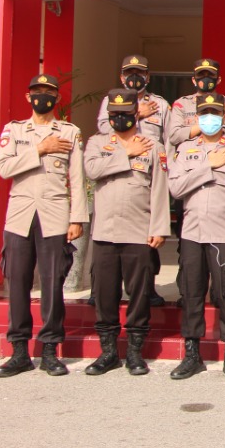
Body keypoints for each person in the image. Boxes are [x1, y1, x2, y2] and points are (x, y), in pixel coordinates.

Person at [0, 74, 87, 378]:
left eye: (48, 92)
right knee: (17, 283)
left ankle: (49, 350)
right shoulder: (14, 130)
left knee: (53, 283)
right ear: (28, 97)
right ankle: (19, 351)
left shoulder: (70, 132)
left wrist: (77, 218)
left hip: (55, 215)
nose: (42, 96)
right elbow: (3, 167)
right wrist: (40, 149)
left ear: (56, 98)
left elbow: (77, 178)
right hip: (20, 216)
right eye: (37, 91)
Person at [166, 94, 225, 381]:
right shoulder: (184, 149)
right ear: (196, 118)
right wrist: (208, 165)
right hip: (192, 233)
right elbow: (176, 188)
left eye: (215, 113)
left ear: (224, 117)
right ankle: (192, 354)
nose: (210, 118)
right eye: (205, 113)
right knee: (191, 293)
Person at [81, 89, 170, 377]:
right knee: (104, 294)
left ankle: (134, 352)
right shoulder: (97, 142)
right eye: (115, 114)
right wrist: (125, 153)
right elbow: (92, 170)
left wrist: (159, 227)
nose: (120, 118)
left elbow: (160, 189)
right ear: (109, 117)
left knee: (139, 294)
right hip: (105, 232)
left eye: (125, 114)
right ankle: (108, 352)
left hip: (138, 231)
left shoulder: (153, 145)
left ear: (135, 114)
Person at [96, 54, 171, 306]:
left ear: (148, 76)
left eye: (140, 73)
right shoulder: (110, 100)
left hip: (147, 172)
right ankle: (101, 289)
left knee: (147, 236)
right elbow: (104, 130)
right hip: (114, 170)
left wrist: (166, 169)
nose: (135, 77)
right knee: (107, 238)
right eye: (130, 73)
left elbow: (169, 139)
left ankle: (148, 287)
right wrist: (136, 114)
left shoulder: (160, 104)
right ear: (122, 77)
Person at [168, 58, 225, 146]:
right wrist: (205, 125)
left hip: (222, 152)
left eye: (210, 75)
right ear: (194, 80)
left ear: (218, 79)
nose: (205, 78)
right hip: (190, 153)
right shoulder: (182, 104)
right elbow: (173, 137)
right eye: (201, 75)